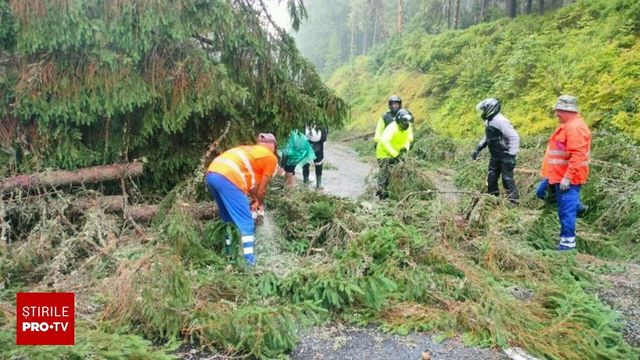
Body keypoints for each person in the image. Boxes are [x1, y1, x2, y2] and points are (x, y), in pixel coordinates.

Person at [205, 133, 278, 266]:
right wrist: (261, 204)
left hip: (212, 174)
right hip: (229, 178)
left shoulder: (251, 151)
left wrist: (254, 199)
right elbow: (261, 189)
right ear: (272, 146)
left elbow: (252, 188)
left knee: (229, 221)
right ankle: (249, 263)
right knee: (247, 223)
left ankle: (230, 256)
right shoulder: (271, 158)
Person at [538, 95, 591, 251]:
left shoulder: (575, 128)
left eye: (559, 111)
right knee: (541, 192)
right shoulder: (567, 125)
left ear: (568, 111)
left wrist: (568, 177)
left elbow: (578, 155)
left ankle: (567, 245)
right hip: (555, 175)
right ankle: (578, 207)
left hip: (567, 178)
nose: (556, 114)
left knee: (565, 211)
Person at [471, 98, 520, 204]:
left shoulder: (501, 121)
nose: (483, 112)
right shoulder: (489, 121)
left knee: (507, 179)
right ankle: (493, 200)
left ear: (491, 109)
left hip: (505, 154)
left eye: (484, 109)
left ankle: (514, 202)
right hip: (495, 155)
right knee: (491, 178)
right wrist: (478, 147)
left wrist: (511, 155)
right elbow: (488, 136)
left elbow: (514, 137)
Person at [376, 108, 414, 199]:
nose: (406, 124)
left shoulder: (407, 127)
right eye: (404, 121)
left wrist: (405, 149)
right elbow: (384, 142)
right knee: (385, 172)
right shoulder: (392, 128)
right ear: (399, 120)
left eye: (407, 122)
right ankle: (382, 193)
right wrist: (395, 154)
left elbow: (408, 140)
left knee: (399, 172)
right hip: (384, 153)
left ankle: (396, 191)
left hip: (397, 152)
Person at [303, 124, 328, 190]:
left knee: (319, 164)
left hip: (319, 144)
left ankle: (318, 184)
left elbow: (325, 132)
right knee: (306, 164)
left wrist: (324, 141)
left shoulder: (321, 122)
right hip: (307, 143)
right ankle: (305, 182)